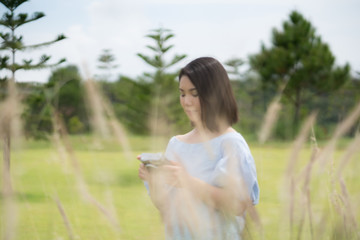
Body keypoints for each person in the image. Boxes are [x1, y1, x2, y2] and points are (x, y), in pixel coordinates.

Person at [138, 57, 259, 240]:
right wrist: (154, 181)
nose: (186, 102)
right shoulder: (176, 143)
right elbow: (166, 207)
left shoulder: (231, 143)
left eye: (194, 94)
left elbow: (239, 204)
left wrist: (187, 181)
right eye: (182, 93)